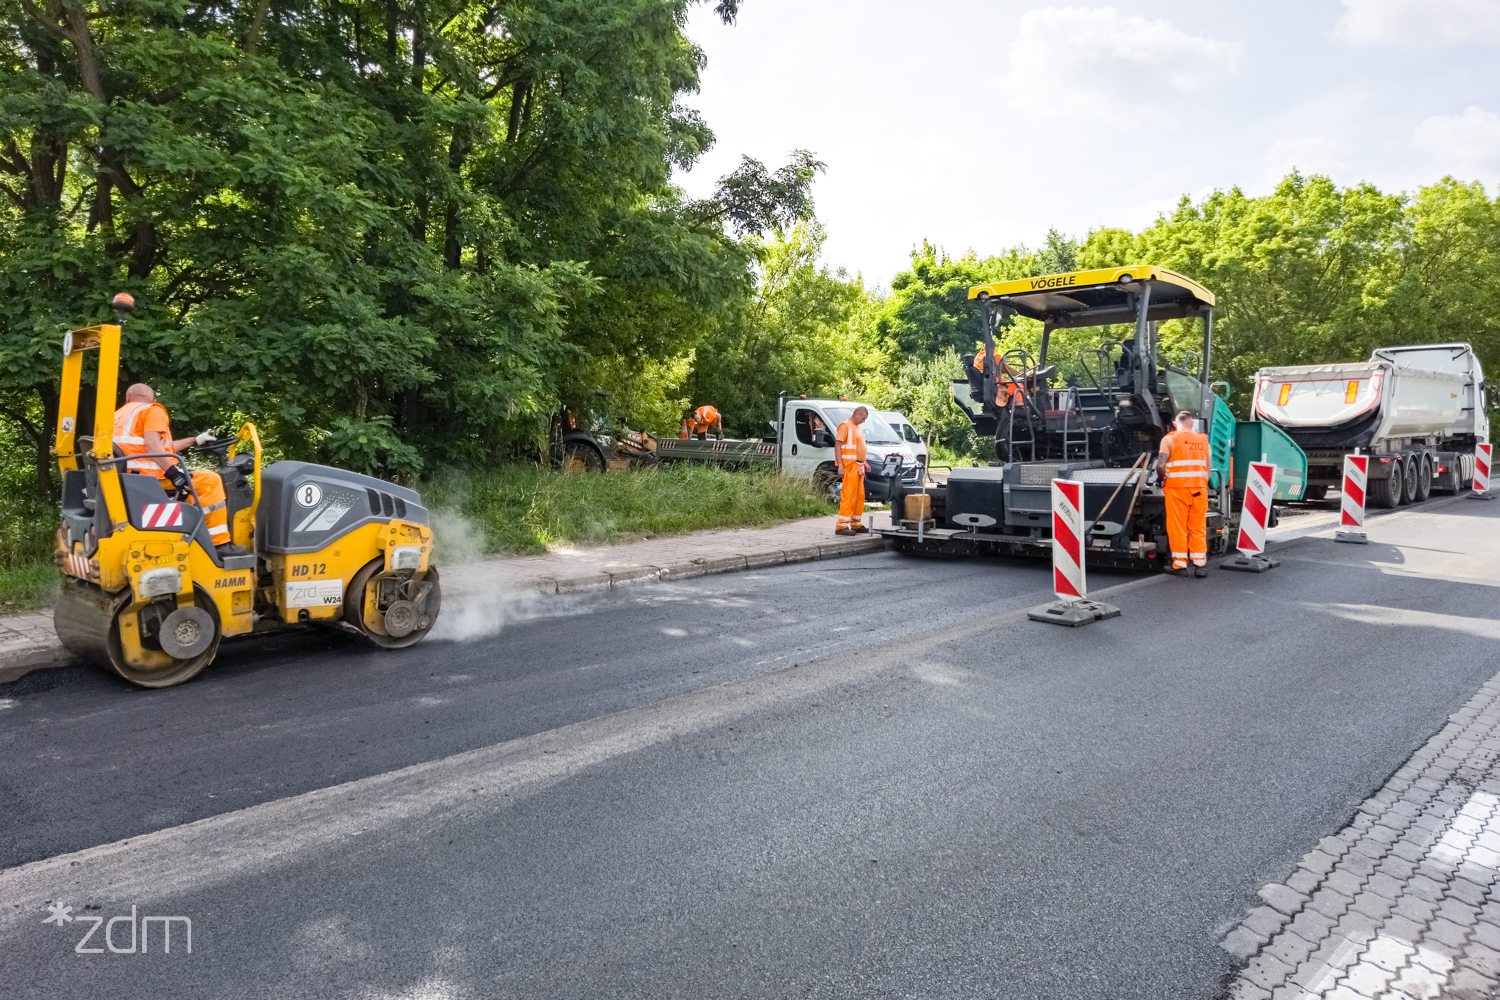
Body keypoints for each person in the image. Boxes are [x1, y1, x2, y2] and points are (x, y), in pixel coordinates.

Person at [114, 383, 239, 552]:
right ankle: (219, 543)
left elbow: (162, 446)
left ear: (128, 397)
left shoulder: (118, 416)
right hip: (151, 477)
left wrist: (196, 439)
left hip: (129, 477)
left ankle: (195, 531)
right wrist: (174, 474)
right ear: (152, 399)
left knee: (194, 484)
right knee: (211, 480)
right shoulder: (152, 410)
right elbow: (152, 445)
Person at [1157, 409, 1210, 577]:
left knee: (1178, 527)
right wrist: (1203, 482)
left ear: (1174, 423)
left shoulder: (1169, 439)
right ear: (1192, 423)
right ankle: (1200, 566)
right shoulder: (1203, 439)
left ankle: (1180, 565)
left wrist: (1161, 479)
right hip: (1199, 490)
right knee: (1198, 527)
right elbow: (1208, 464)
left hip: (1177, 490)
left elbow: (1160, 465)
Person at [834, 406, 871, 535]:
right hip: (850, 466)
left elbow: (859, 447)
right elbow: (838, 446)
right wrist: (840, 466)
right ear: (856, 414)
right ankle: (841, 526)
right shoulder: (845, 426)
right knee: (848, 496)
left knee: (859, 497)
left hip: (858, 467)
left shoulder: (857, 428)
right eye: (862, 418)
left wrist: (864, 462)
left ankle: (856, 524)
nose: (863, 421)